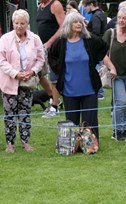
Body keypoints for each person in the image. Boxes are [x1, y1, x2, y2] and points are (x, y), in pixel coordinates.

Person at [48, 11, 108, 142]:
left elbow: (103, 47)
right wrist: (60, 70)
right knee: (72, 121)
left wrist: (95, 61)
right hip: (69, 89)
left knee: (90, 120)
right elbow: (51, 56)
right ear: (69, 24)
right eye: (75, 21)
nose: (79, 24)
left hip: (89, 89)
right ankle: (72, 144)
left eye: (80, 21)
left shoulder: (89, 40)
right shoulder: (61, 42)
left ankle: (90, 144)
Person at [0, 9, 44, 153]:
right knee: (10, 114)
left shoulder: (35, 38)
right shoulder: (5, 39)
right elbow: (2, 61)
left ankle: (25, 142)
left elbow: (40, 59)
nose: (19, 26)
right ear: (13, 23)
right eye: (16, 23)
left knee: (25, 112)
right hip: (9, 82)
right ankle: (10, 144)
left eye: (22, 23)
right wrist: (15, 74)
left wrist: (32, 72)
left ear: (27, 24)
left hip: (27, 82)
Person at [103, 4, 126, 141]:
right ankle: (117, 130)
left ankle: (125, 129)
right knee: (121, 102)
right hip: (116, 74)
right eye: (119, 17)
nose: (121, 20)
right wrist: (111, 67)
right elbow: (102, 53)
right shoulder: (110, 33)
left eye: (124, 18)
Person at [36, 0, 65, 118]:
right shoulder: (40, 6)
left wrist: (50, 42)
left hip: (55, 47)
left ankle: (55, 107)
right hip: (42, 47)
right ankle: (53, 98)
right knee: (38, 73)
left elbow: (63, 27)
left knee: (54, 78)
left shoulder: (55, 5)